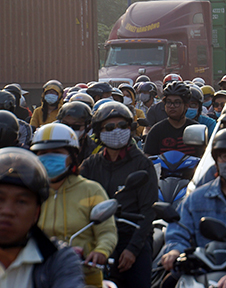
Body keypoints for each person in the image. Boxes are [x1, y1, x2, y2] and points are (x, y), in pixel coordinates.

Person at [160, 128, 226, 284]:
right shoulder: (196, 199)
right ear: (217, 161)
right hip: (203, 276)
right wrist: (175, 251)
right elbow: (179, 231)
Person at [79, 102, 158, 288]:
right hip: (98, 238)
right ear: (99, 132)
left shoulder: (142, 164)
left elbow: (149, 211)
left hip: (132, 237)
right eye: (109, 127)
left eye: (122, 126)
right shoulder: (90, 165)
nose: (116, 131)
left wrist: (132, 249)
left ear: (130, 129)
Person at [30, 123, 118, 287]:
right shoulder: (31, 193)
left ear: (72, 156)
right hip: (38, 275)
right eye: (42, 153)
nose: (49, 157)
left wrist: (101, 251)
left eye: (56, 153)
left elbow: (107, 231)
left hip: (85, 275)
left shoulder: (91, 190)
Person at [0, 147, 86, 288]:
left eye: (21, 201)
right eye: (0, 199)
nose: (7, 211)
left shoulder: (57, 259)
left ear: (36, 212)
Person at [143, 81, 204, 158]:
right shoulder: (156, 131)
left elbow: (204, 157)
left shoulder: (196, 130)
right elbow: (148, 157)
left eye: (177, 102)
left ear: (186, 105)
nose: (172, 106)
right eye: (169, 102)